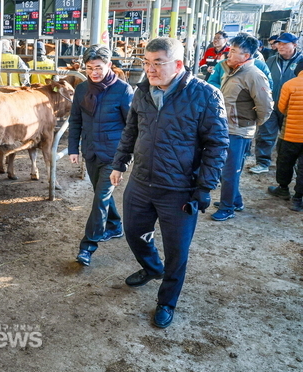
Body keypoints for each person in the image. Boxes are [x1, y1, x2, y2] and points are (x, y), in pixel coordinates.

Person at [110, 37, 228, 329]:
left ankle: (167, 301)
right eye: (146, 63)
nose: (150, 69)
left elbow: (216, 145)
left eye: (158, 63)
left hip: (179, 189)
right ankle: (152, 267)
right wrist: (120, 162)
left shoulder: (205, 95)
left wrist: (204, 187)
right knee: (134, 232)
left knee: (176, 250)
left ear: (178, 64)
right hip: (141, 181)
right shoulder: (142, 92)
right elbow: (131, 130)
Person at [69, 45, 134, 266]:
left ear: (108, 65)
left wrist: (125, 159)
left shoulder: (123, 90)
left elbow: (131, 126)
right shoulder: (81, 89)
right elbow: (75, 120)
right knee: (100, 193)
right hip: (91, 151)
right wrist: (73, 148)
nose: (94, 72)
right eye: (89, 68)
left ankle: (87, 246)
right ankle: (115, 226)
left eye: (98, 67)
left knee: (100, 198)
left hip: (113, 155)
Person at [210, 33, 273, 221]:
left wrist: (250, 124)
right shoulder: (231, 70)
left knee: (230, 171)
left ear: (246, 56)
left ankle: (227, 207)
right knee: (227, 169)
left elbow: (266, 107)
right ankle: (235, 201)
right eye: (230, 50)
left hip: (238, 131)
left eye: (233, 51)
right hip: (226, 128)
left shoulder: (254, 75)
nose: (229, 54)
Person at [249, 32, 303, 174]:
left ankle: (292, 166)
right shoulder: (271, 60)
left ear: (295, 44)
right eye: (279, 43)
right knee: (265, 134)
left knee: (290, 139)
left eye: (285, 44)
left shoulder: (301, 61)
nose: (280, 46)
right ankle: (263, 162)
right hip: (271, 103)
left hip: (293, 108)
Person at [267, 61, 303, 211]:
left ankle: (283, 189)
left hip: (290, 134)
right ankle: (298, 199)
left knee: (285, 162)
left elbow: (281, 107)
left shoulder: (290, 84)